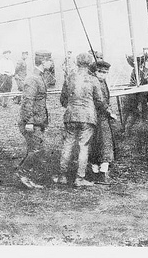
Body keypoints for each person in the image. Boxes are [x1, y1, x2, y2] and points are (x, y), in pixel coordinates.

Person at [55, 52, 109, 187]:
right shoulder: (93, 79)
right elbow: (100, 101)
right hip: (88, 117)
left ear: (77, 63)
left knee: (68, 145)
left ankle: (62, 176)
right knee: (83, 147)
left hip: (71, 115)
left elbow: (63, 99)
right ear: (90, 63)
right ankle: (80, 178)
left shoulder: (69, 78)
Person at [15, 50, 50, 189]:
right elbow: (27, 102)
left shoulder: (39, 77)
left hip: (38, 120)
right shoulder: (32, 79)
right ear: (43, 62)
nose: (51, 63)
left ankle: (26, 177)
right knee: (37, 149)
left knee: (34, 149)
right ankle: (22, 173)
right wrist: (29, 121)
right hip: (31, 122)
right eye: (49, 60)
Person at [88, 60, 117, 184]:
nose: (103, 75)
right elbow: (99, 101)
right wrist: (109, 112)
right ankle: (99, 172)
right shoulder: (94, 82)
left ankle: (99, 170)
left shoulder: (102, 82)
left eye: (105, 72)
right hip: (98, 116)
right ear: (95, 72)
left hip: (102, 116)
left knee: (102, 142)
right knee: (103, 143)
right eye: (101, 72)